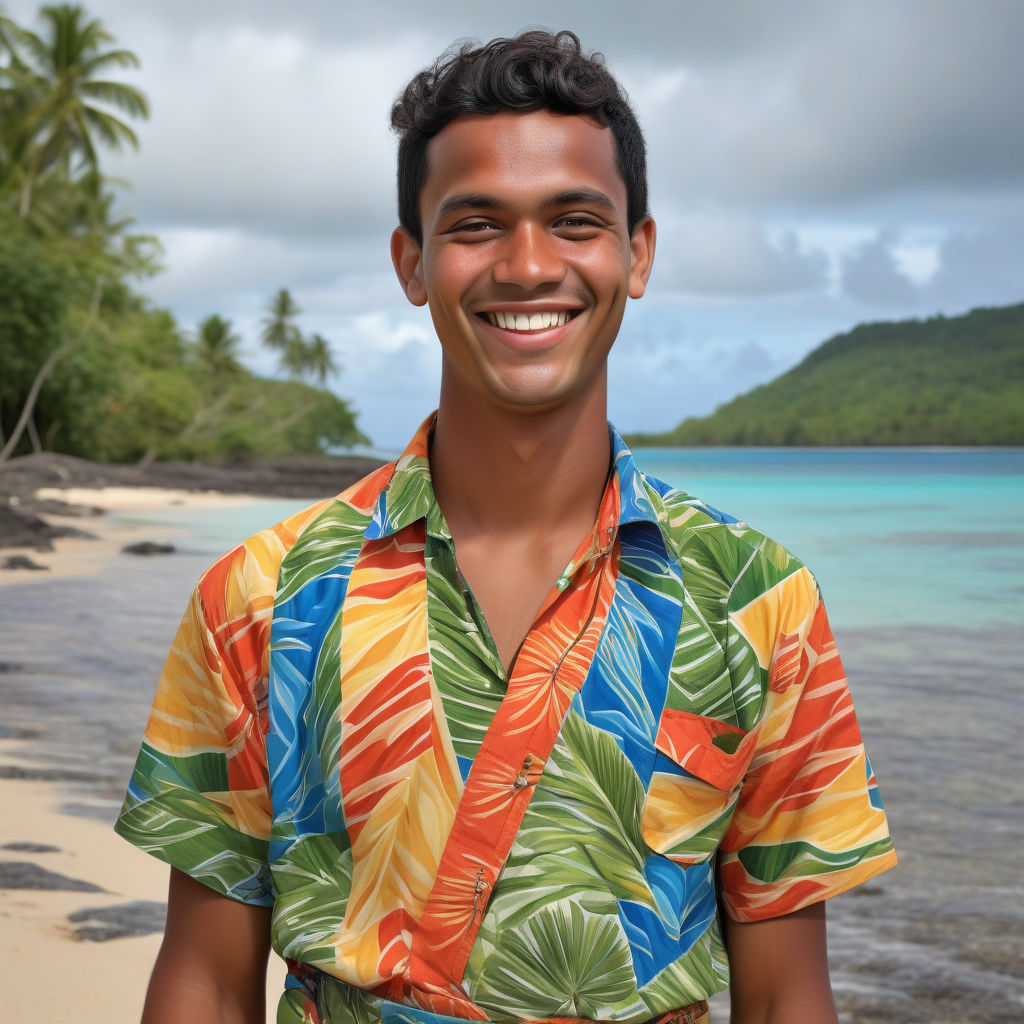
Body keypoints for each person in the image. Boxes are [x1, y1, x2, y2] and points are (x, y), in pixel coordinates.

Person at [116, 29, 896, 1024]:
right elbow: (207, 979)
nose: (528, 266)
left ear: (636, 253)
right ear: (413, 262)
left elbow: (787, 993)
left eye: (574, 220)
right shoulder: (262, 596)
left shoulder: (758, 601)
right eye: (476, 224)